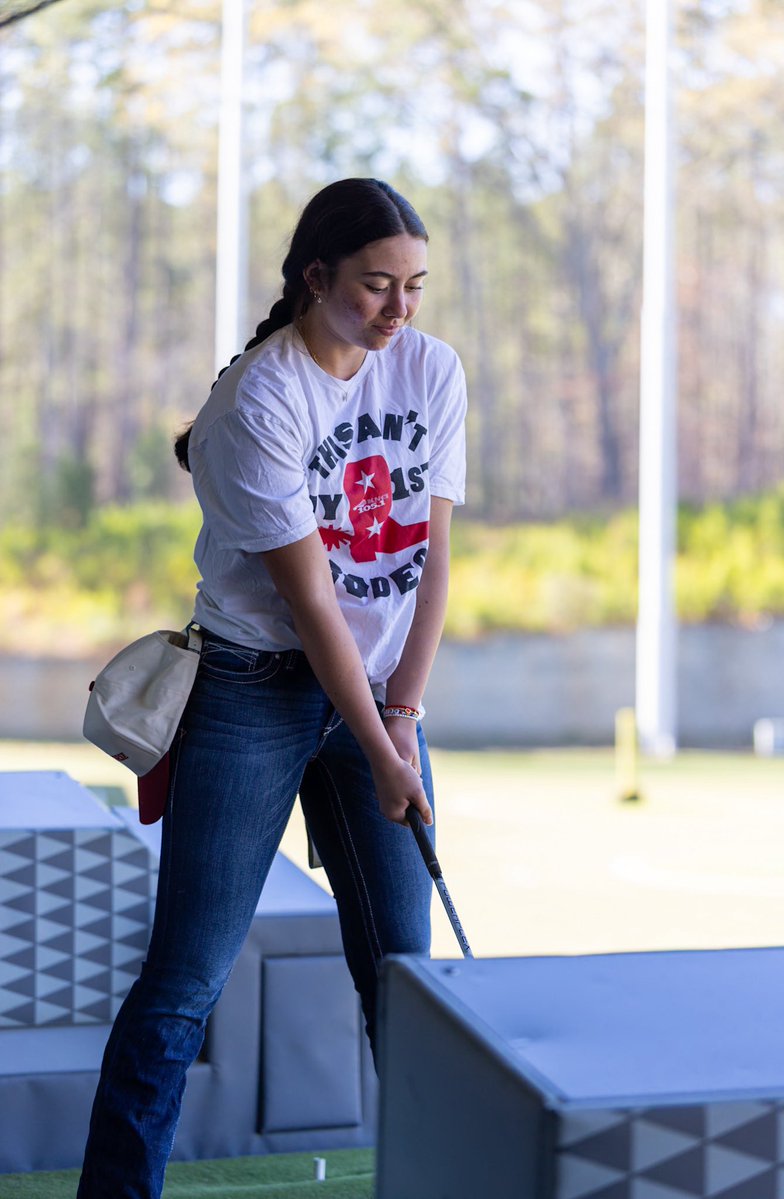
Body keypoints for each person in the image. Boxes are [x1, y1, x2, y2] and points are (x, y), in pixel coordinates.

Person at [76, 177, 467, 1199]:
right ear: (315, 278)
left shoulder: (430, 369)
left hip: (379, 695)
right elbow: (311, 609)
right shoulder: (259, 398)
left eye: (414, 285)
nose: (398, 309)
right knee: (184, 982)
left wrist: (401, 717)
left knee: (406, 979)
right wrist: (386, 756)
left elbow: (430, 564)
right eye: (376, 285)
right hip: (253, 693)